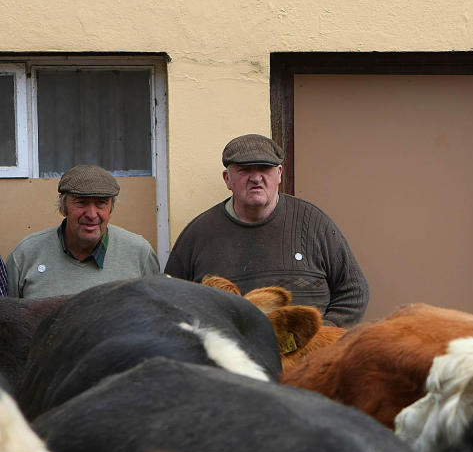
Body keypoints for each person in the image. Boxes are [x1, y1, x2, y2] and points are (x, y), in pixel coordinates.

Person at [164, 134, 369, 327]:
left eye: (264, 168)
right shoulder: (198, 234)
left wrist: (323, 334)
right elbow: (170, 303)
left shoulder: (314, 223)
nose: (256, 178)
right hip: (233, 361)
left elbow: (354, 291)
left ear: (279, 174)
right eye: (245, 170)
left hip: (308, 359)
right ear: (227, 179)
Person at [5, 165, 160, 298]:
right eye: (81, 203)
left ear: (111, 208)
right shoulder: (25, 255)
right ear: (63, 207)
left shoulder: (140, 253)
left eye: (101, 203)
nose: (92, 215)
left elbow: (157, 319)